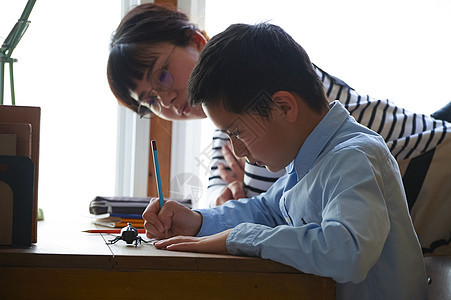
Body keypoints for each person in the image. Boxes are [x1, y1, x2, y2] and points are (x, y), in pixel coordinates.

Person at [107, 3, 451, 254]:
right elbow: (270, 205)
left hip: (434, 161)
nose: (165, 100)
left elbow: (312, 232)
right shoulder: (239, 122)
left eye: (162, 75)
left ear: (196, 41)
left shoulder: (280, 90)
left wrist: (233, 233)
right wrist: (199, 219)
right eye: (150, 101)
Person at [143, 23, 428, 299]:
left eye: (238, 132)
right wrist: (196, 221)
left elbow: (347, 252)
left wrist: (240, 238)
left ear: (283, 107)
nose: (237, 149)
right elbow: (266, 210)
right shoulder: (306, 161)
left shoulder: (352, 157)